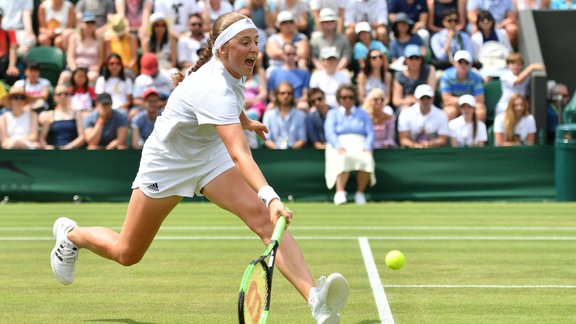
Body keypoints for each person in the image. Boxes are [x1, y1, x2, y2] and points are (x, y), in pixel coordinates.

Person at [49, 12, 349, 324]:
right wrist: (271, 197)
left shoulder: (231, 71)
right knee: (127, 253)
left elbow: (231, 102)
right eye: (245, 42)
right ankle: (71, 235)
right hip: (167, 164)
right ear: (223, 49)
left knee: (263, 221)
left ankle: (317, 302)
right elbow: (239, 155)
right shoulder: (212, 87)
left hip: (208, 156)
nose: (254, 49)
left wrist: (244, 121)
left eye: (256, 41)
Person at [324, 84, 376, 205]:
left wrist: (368, 147)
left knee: (367, 160)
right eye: (344, 97)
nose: (347, 100)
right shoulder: (332, 114)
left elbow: (370, 133)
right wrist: (338, 146)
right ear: (339, 99)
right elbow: (329, 132)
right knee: (343, 157)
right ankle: (340, 192)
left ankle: (360, 193)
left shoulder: (363, 113)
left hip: (360, 144)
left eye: (350, 97)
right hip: (339, 144)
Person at [439, 50, 486, 121]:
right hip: (455, 105)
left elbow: (480, 100)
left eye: (466, 63)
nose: (463, 65)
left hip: (470, 105)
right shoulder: (446, 76)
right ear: (454, 63)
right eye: (460, 62)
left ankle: (477, 131)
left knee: (480, 111)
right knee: (450, 111)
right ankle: (446, 132)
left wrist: (465, 104)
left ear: (470, 65)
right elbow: (446, 99)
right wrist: (465, 101)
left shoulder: (476, 77)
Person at [59, 11, 103, 86]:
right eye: (87, 22)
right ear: (82, 24)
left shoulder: (99, 39)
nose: (90, 25)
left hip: (90, 69)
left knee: (93, 76)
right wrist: (75, 70)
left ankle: (92, 97)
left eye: (92, 23)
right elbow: (70, 57)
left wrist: (97, 67)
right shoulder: (74, 37)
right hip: (75, 67)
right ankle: (59, 95)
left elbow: (100, 58)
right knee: (64, 76)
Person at [495, 52, 545, 117]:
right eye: (513, 64)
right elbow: (518, 81)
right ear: (508, 65)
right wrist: (531, 67)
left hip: (520, 109)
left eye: (518, 64)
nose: (516, 67)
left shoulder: (527, 77)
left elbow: (527, 95)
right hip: (505, 108)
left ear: (522, 65)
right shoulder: (505, 75)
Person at [262, 81, 307, 149]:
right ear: (277, 95)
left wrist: (289, 150)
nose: (286, 96)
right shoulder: (268, 115)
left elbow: (302, 139)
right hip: (273, 153)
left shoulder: (301, 115)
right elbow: (266, 139)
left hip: (294, 153)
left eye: (289, 93)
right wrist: (277, 149)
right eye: (282, 93)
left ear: (293, 95)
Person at [38, 85, 86, 149]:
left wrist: (68, 147)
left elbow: (82, 137)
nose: (63, 96)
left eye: (65, 94)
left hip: (72, 152)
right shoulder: (50, 114)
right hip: (53, 152)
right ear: (55, 97)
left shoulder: (77, 113)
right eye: (59, 94)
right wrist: (47, 147)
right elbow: (42, 138)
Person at [392, 45, 437, 111]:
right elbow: (396, 100)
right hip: (407, 107)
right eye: (411, 58)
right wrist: (409, 101)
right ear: (405, 60)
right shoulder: (399, 75)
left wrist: (416, 99)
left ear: (421, 59)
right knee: (405, 109)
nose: (414, 61)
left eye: (417, 58)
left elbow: (431, 95)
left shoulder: (430, 70)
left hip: (426, 104)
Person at [267, 43, 311, 110]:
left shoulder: (304, 73)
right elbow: (271, 95)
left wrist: (292, 102)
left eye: (293, 54)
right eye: (288, 54)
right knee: (269, 107)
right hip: (279, 104)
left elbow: (305, 96)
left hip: (297, 104)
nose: (291, 57)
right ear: (283, 55)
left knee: (304, 106)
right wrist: (282, 102)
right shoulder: (274, 73)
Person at [309, 8, 352, 72]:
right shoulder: (315, 40)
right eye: (326, 22)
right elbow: (314, 58)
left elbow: (346, 56)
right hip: (321, 70)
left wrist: (337, 70)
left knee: (346, 75)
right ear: (321, 24)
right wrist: (323, 70)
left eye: (332, 21)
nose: (329, 24)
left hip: (340, 70)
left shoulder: (343, 39)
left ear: (335, 23)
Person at [141, 12, 178, 78]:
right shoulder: (146, 43)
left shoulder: (172, 41)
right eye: (157, 25)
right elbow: (146, 62)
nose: (160, 28)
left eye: (163, 25)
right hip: (152, 71)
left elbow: (173, 62)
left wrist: (165, 70)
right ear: (152, 27)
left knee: (175, 72)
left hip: (168, 70)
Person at [0, 9, 21, 86]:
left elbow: (13, 49)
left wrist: (12, 66)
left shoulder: (9, 33)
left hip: (4, 65)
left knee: (14, 75)